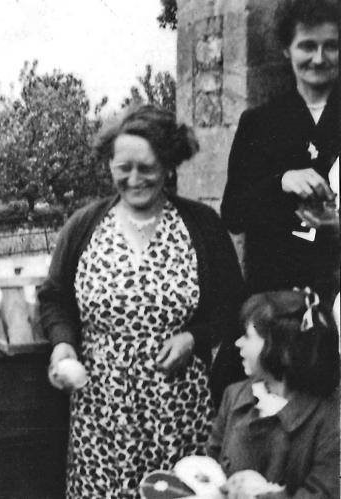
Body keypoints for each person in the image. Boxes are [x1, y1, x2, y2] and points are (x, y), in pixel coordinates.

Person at [38, 105, 246, 498]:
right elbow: (54, 298)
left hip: (178, 406)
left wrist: (194, 338)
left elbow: (232, 302)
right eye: (123, 167)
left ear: (168, 165)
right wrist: (63, 345)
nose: (134, 179)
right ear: (110, 165)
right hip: (101, 409)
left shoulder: (200, 225)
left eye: (147, 168)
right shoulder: (84, 226)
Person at [221, 0, 340, 305]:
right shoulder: (259, 123)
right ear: (287, 49)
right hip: (277, 300)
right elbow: (233, 213)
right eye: (307, 46)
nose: (319, 58)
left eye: (331, 46)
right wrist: (281, 182)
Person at [208, 288, 340, 498]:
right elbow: (212, 464)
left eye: (247, 336)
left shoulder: (328, 420)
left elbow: (323, 492)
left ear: (282, 350)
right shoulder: (234, 396)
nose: (238, 343)